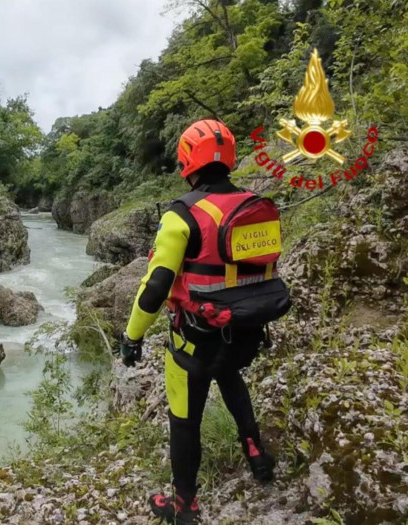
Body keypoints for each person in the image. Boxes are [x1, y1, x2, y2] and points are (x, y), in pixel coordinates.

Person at [119, 119, 285, 524]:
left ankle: (184, 508)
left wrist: (132, 336)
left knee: (184, 423)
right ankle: (256, 452)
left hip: (196, 341)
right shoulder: (255, 205)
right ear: (229, 158)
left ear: (187, 161)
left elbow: (156, 288)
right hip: (245, 332)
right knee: (231, 378)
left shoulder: (182, 215)